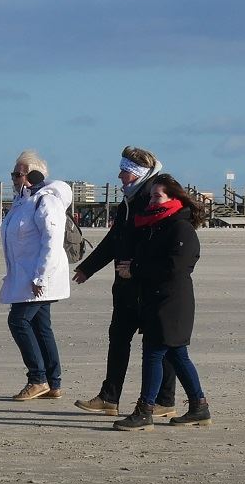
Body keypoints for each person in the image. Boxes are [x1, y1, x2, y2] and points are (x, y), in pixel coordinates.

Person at [72, 147, 177, 417]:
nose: (119, 176)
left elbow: (159, 244)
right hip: (124, 285)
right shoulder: (128, 202)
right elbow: (113, 241)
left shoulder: (152, 199)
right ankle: (109, 397)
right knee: (118, 338)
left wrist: (137, 268)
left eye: (125, 171)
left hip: (146, 285)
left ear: (139, 174)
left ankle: (165, 400)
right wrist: (87, 269)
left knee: (158, 344)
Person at [112, 174, 211, 430]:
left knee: (154, 354)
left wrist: (135, 269)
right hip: (155, 299)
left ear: (173, 198)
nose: (152, 201)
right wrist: (133, 265)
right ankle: (199, 407)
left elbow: (176, 267)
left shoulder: (181, 228)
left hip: (172, 302)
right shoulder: (156, 225)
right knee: (177, 355)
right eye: (151, 196)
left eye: (158, 196)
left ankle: (145, 410)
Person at [0, 150, 72, 401]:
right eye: (13, 174)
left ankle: (37, 378)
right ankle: (53, 382)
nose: (14, 178)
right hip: (25, 276)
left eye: (18, 174)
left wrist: (41, 276)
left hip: (39, 277)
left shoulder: (46, 201)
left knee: (18, 321)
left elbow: (52, 242)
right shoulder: (23, 201)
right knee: (41, 326)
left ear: (33, 175)